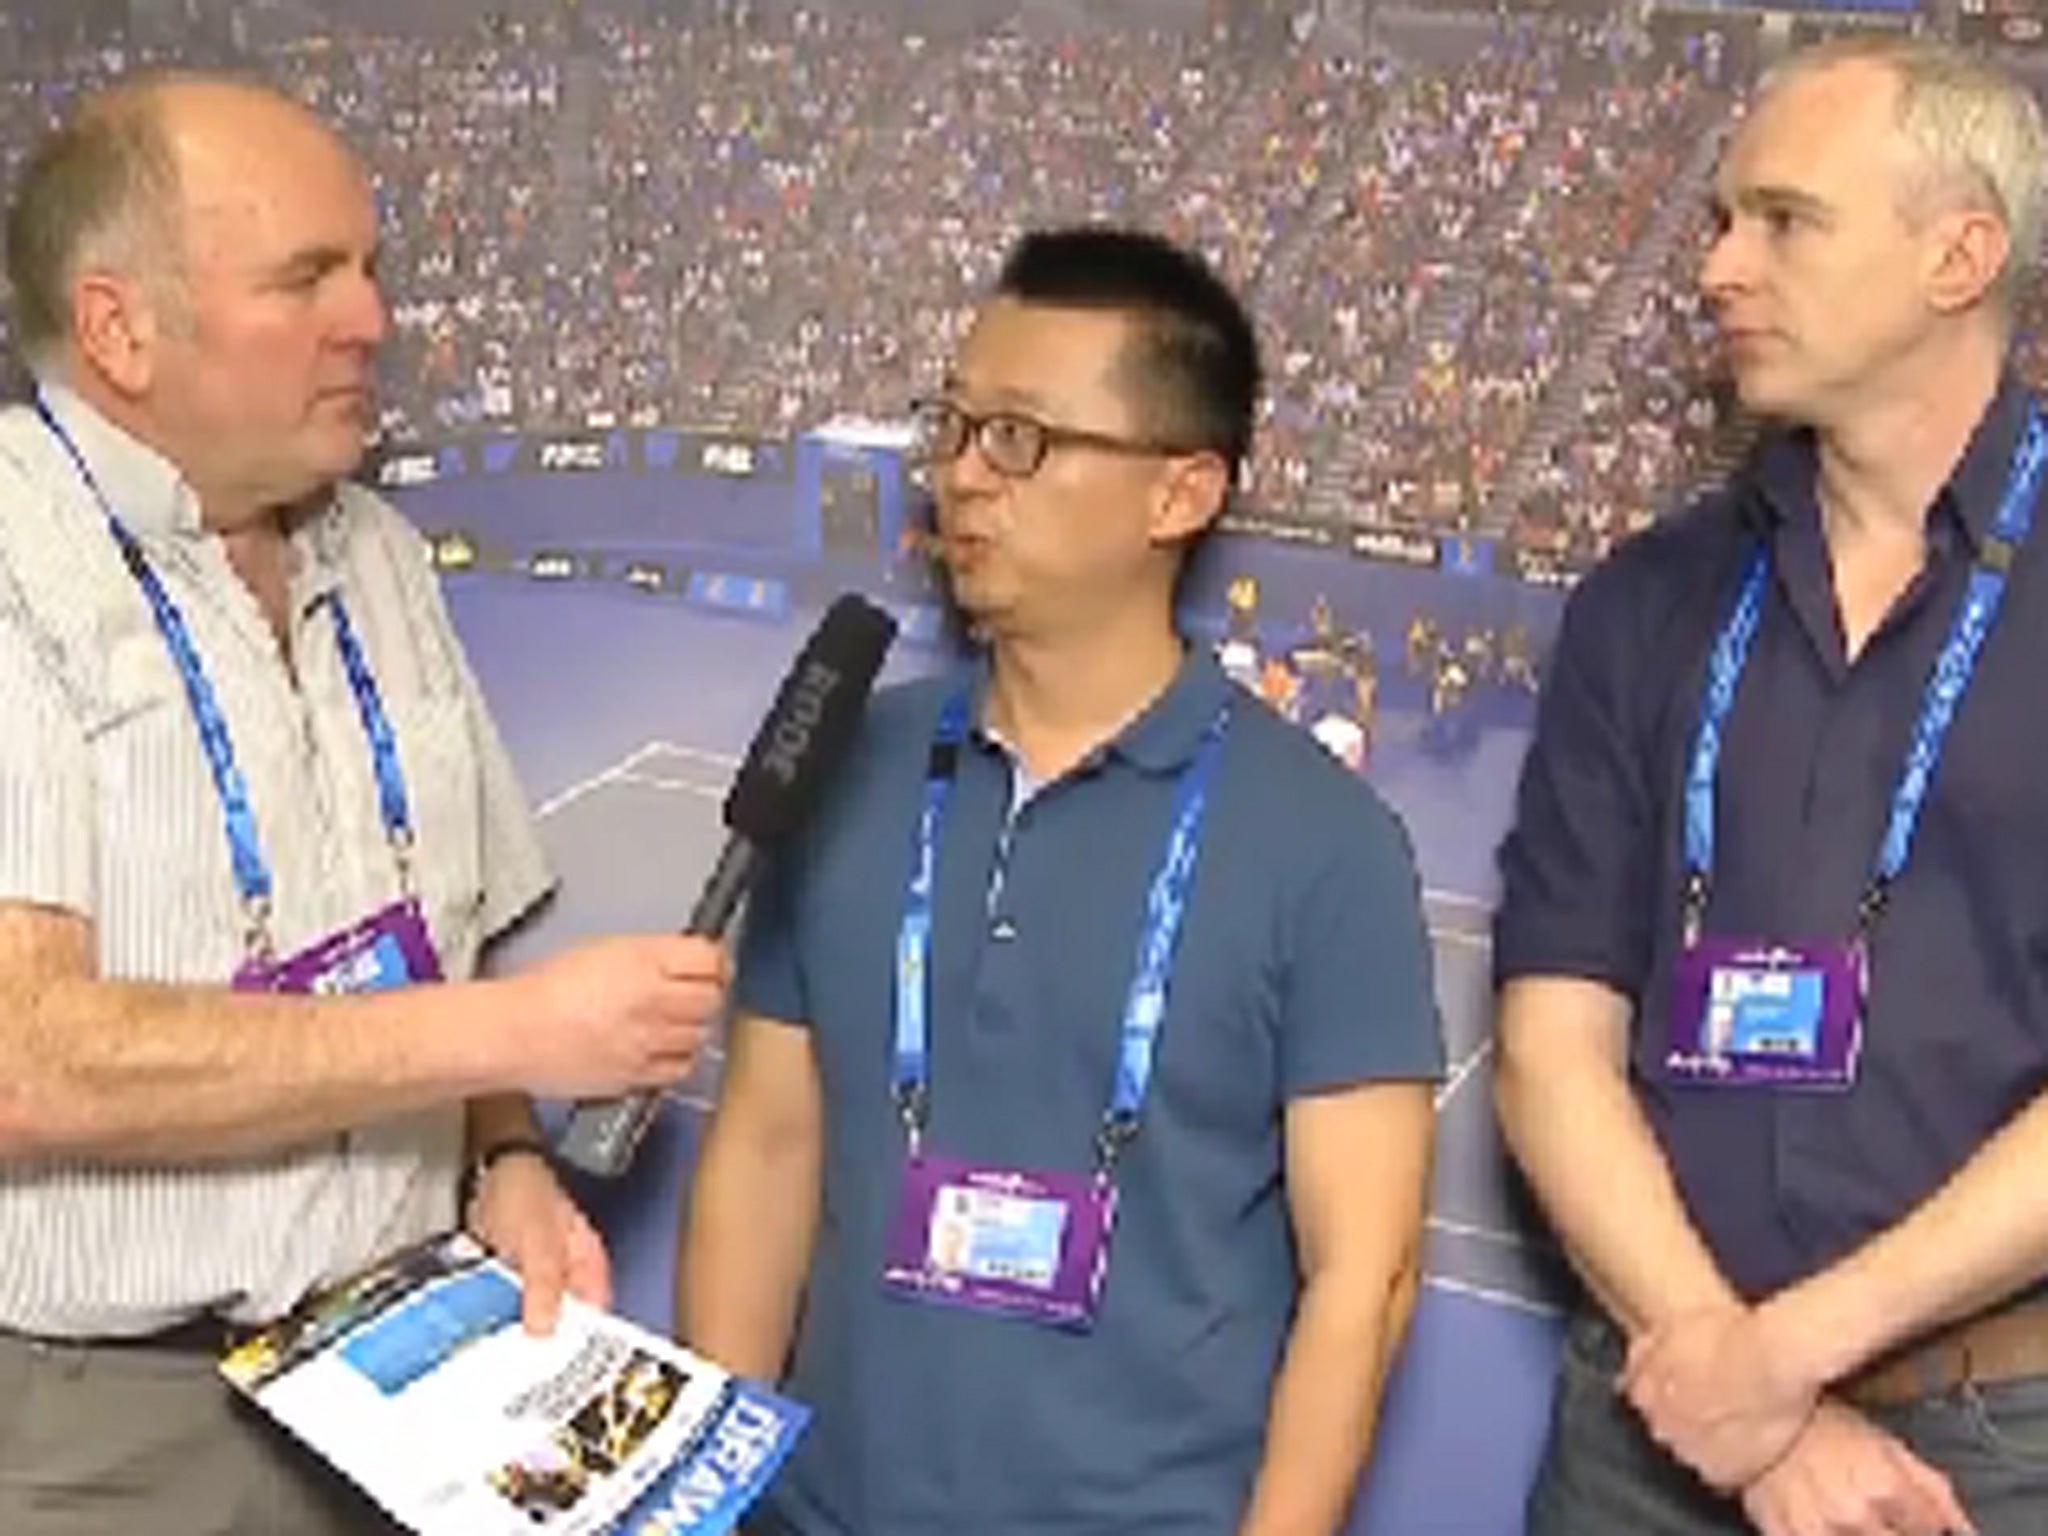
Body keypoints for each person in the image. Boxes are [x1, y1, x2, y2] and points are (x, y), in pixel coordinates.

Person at [0, 73, 727, 1532]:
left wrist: (506, 1150)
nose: (373, 319)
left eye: (370, 268)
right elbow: (23, 1058)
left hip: (397, 1376)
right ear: (119, 328)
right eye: (306, 278)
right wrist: (519, 1033)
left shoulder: (380, 555)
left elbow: (433, 936)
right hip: (105, 1423)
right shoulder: (19, 561)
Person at [679, 226, 1441, 1536]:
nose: (959, 478)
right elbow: (764, 1145)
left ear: (1180, 494)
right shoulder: (845, 763)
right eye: (954, 424)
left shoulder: (1330, 845)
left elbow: (1362, 1280)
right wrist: (705, 1504)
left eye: (1019, 439)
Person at [1494, 36, 2048, 1536]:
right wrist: (1747, 1410)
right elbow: (1551, 1046)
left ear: (1961, 255)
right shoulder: (1647, 601)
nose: (1721, 266)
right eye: (1722, 219)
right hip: (1649, 1429)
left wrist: (1783, 1362)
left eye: (1784, 220)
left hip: (1983, 1453)